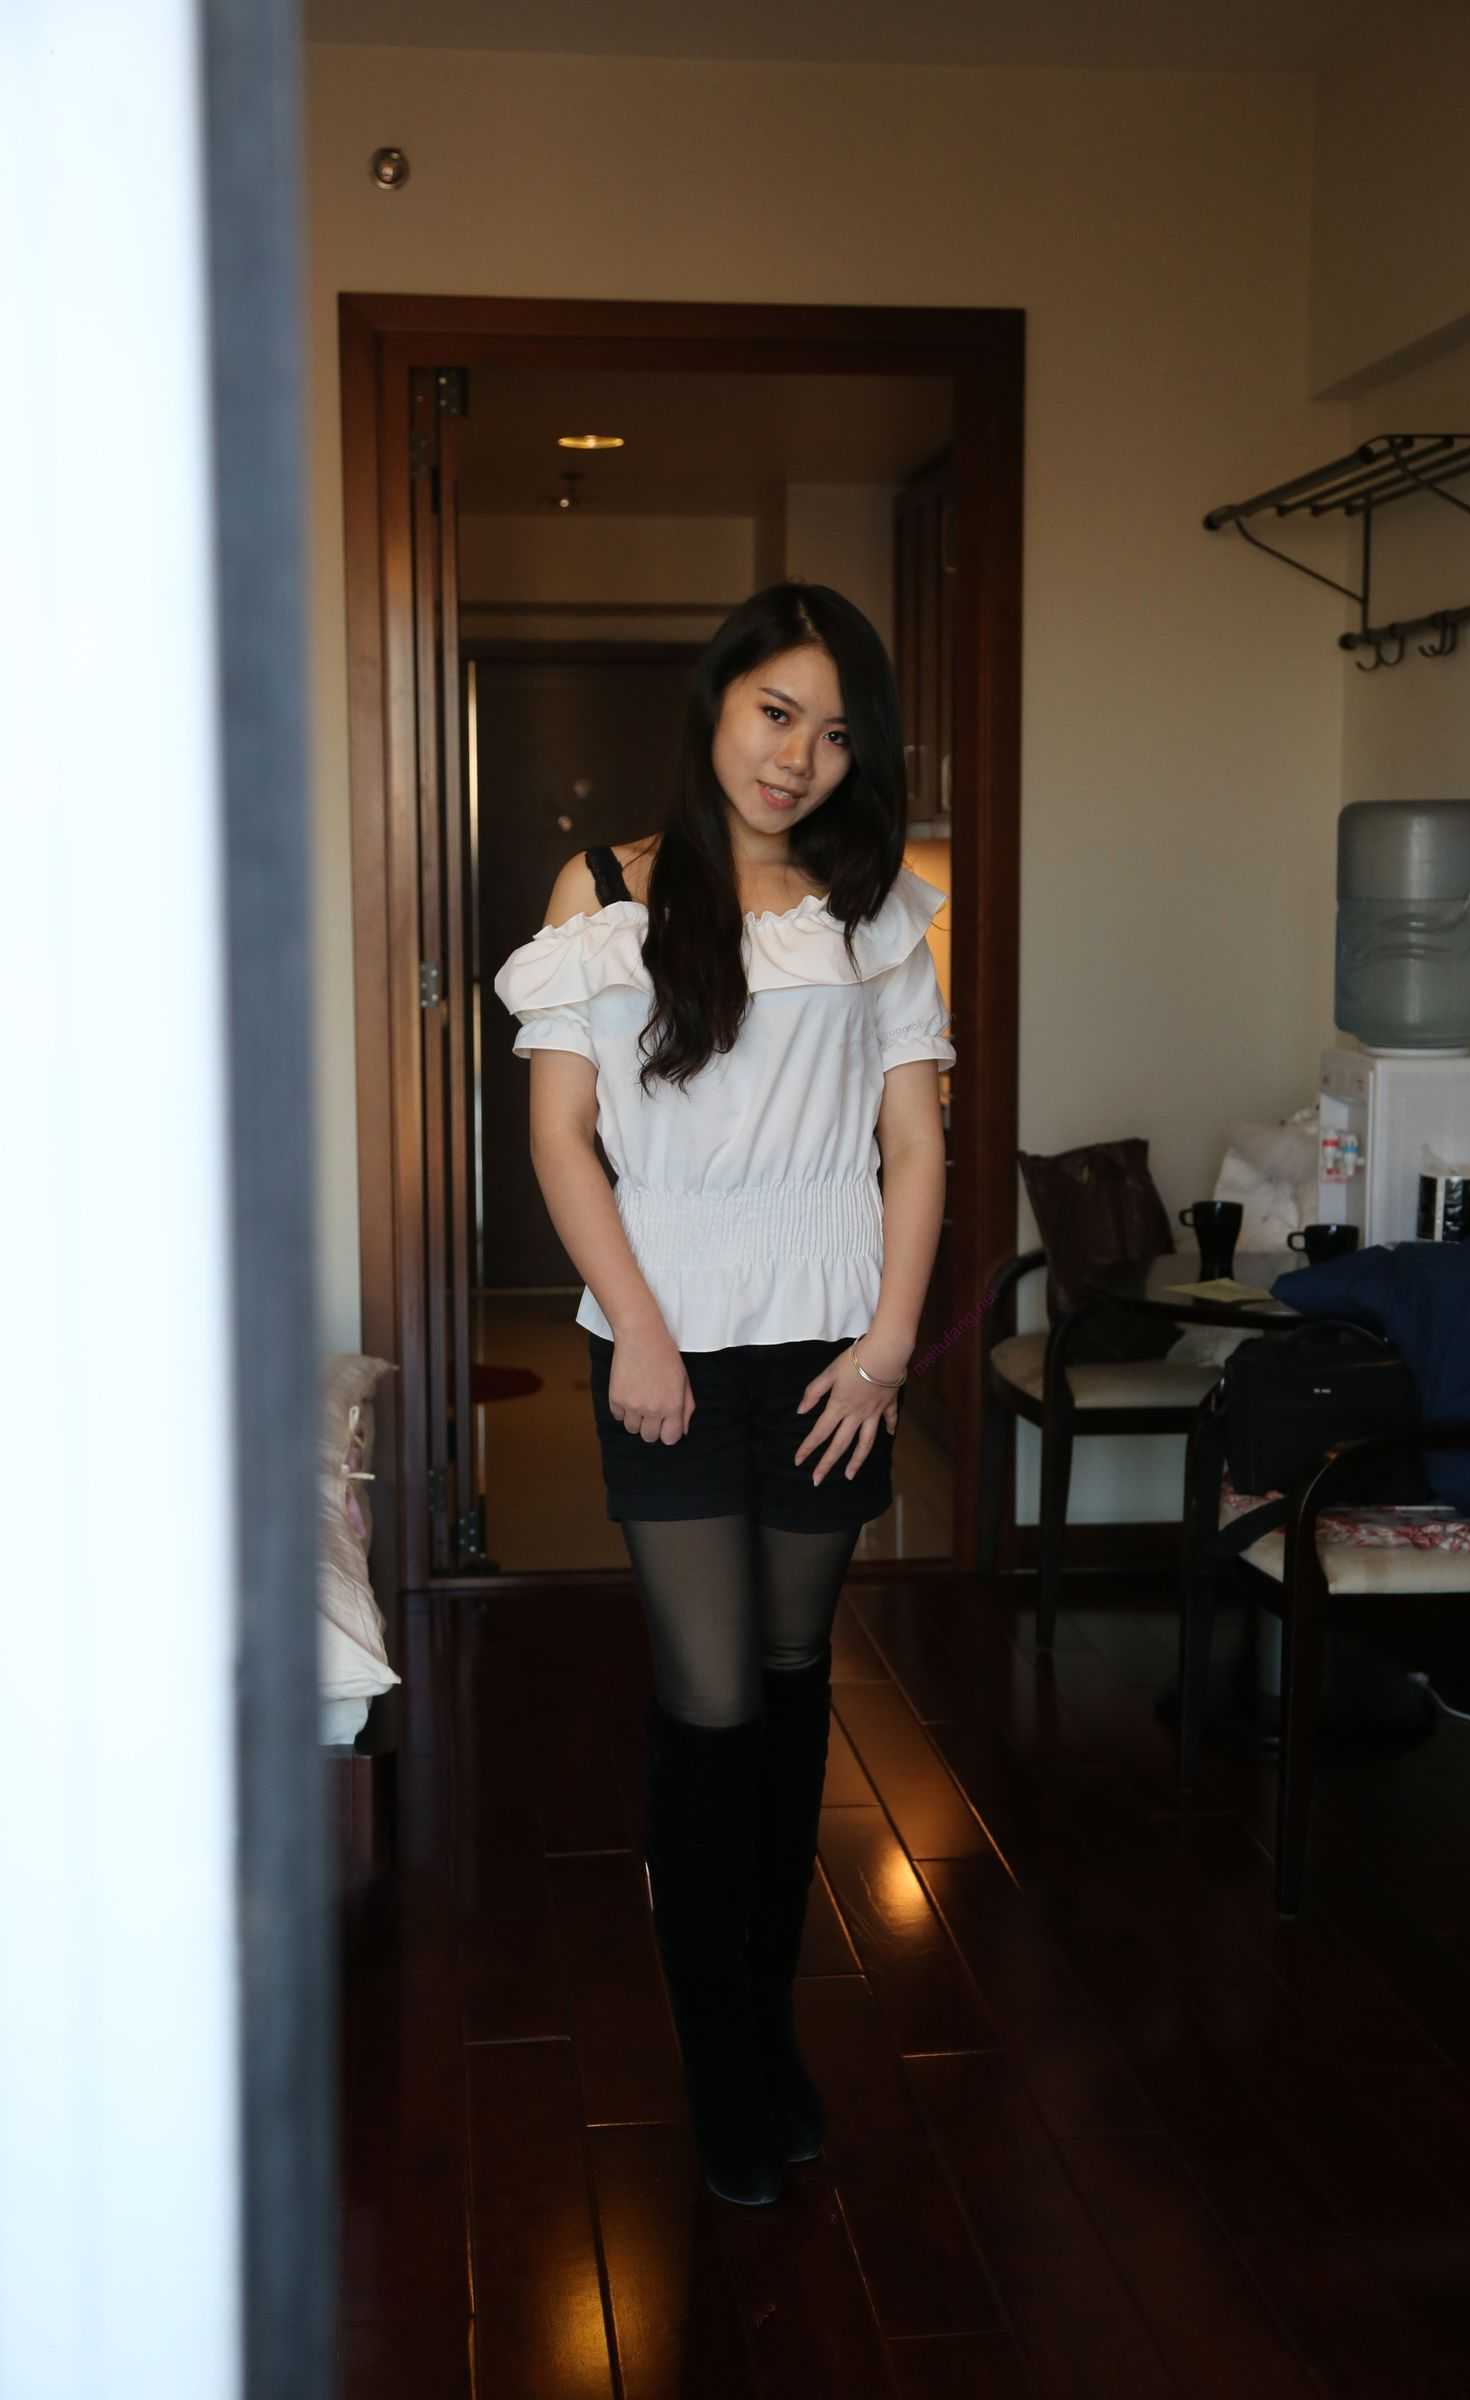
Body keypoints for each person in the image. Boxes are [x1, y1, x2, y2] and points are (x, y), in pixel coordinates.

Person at [492, 582, 955, 2207]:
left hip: (833, 1350)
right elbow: (562, 1138)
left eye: (833, 733)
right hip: (667, 1343)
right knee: (709, 1707)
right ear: (718, 703)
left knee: (790, 1679)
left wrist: (889, 1350)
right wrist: (639, 1329)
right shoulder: (607, 890)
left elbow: (916, 1144)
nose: (796, 756)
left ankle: (766, 2018)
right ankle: (724, 2062)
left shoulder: (872, 907)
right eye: (775, 713)